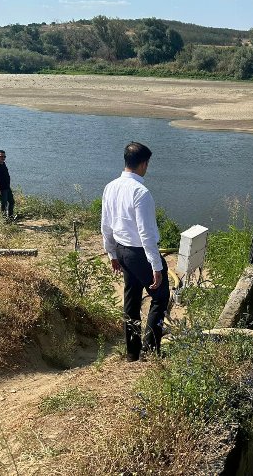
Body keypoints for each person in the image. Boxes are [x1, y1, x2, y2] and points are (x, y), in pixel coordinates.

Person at [101, 142, 169, 362]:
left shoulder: (110, 186)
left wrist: (112, 254)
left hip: (122, 251)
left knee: (131, 300)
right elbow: (146, 234)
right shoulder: (141, 192)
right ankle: (151, 351)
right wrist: (156, 266)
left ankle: (132, 352)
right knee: (160, 297)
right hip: (140, 253)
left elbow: (106, 225)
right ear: (143, 164)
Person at [0, 150, 15, 221]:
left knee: (12, 202)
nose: (3, 158)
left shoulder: (3, 164)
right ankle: (3, 219)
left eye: (4, 156)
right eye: (1, 156)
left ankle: (10, 217)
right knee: (3, 203)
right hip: (1, 188)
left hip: (7, 187)